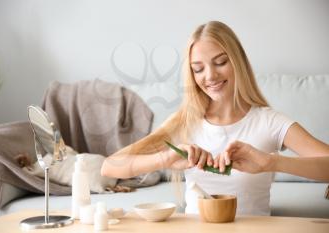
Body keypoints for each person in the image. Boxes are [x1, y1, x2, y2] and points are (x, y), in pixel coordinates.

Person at [101, 21, 329, 216]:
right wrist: (166, 159)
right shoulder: (184, 122)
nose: (210, 76)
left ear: (237, 62)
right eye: (198, 69)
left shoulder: (269, 122)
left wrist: (271, 162)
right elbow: (109, 168)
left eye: (220, 62)